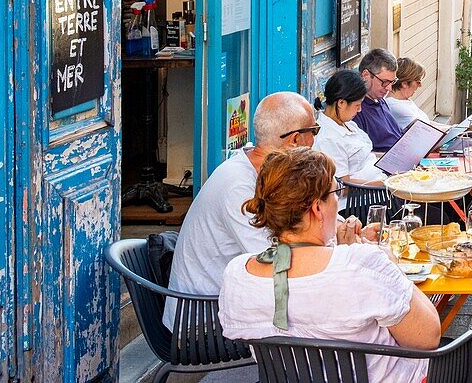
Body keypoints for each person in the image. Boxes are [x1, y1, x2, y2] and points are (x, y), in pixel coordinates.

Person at [219, 148, 440, 383]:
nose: (337, 200)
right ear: (317, 208)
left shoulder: (236, 273)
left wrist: (342, 251)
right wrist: (383, 262)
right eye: (336, 192)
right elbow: (428, 336)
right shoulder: (360, 264)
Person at [163, 92, 372, 328]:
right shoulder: (238, 186)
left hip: (239, 303)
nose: (315, 139)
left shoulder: (266, 167)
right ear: (294, 140)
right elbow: (280, 263)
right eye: (314, 131)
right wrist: (343, 251)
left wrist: (348, 229)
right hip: (205, 319)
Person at [314, 69, 386, 198]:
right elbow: (342, 185)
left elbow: (362, 155)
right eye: (357, 105)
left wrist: (387, 158)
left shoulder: (347, 123)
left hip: (379, 184)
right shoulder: (328, 137)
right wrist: (384, 185)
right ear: (341, 103)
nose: (360, 110)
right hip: (360, 202)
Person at [352, 48, 403, 151]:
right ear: (366, 75)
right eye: (384, 82)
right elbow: (362, 155)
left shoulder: (379, 99)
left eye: (392, 82)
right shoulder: (357, 110)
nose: (389, 88)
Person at [385, 57, 439, 129]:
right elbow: (426, 129)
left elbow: (427, 123)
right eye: (418, 82)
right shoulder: (396, 107)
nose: (420, 85)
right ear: (404, 83)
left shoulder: (404, 99)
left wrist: (452, 128)